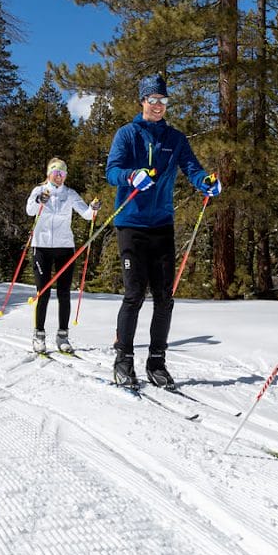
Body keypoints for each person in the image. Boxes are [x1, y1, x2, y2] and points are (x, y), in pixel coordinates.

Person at [104, 74, 220, 388]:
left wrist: (205, 183)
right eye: (152, 100)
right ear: (142, 101)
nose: (158, 106)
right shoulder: (127, 134)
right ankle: (123, 360)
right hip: (131, 224)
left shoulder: (175, 138)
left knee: (164, 298)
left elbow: (192, 167)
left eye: (163, 101)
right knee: (134, 294)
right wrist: (131, 176)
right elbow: (111, 171)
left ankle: (157, 362)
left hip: (162, 226)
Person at [25, 157, 98, 354]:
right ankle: (39, 334)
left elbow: (86, 214)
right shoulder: (39, 191)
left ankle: (62, 336)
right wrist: (39, 201)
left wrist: (93, 208)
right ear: (49, 174)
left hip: (65, 248)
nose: (59, 177)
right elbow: (29, 210)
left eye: (62, 174)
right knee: (44, 292)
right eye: (56, 173)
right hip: (41, 247)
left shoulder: (70, 194)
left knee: (64, 293)